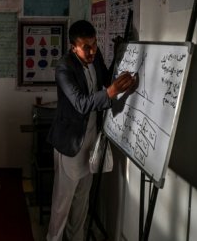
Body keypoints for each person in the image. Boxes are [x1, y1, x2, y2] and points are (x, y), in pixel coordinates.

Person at [46, 20, 137, 241]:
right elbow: (81, 103)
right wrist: (111, 91)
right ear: (73, 47)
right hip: (70, 145)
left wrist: (118, 60)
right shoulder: (64, 68)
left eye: (94, 44)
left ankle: (75, 238)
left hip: (90, 143)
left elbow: (106, 80)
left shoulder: (95, 60)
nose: (92, 50)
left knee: (82, 202)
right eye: (86, 46)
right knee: (61, 206)